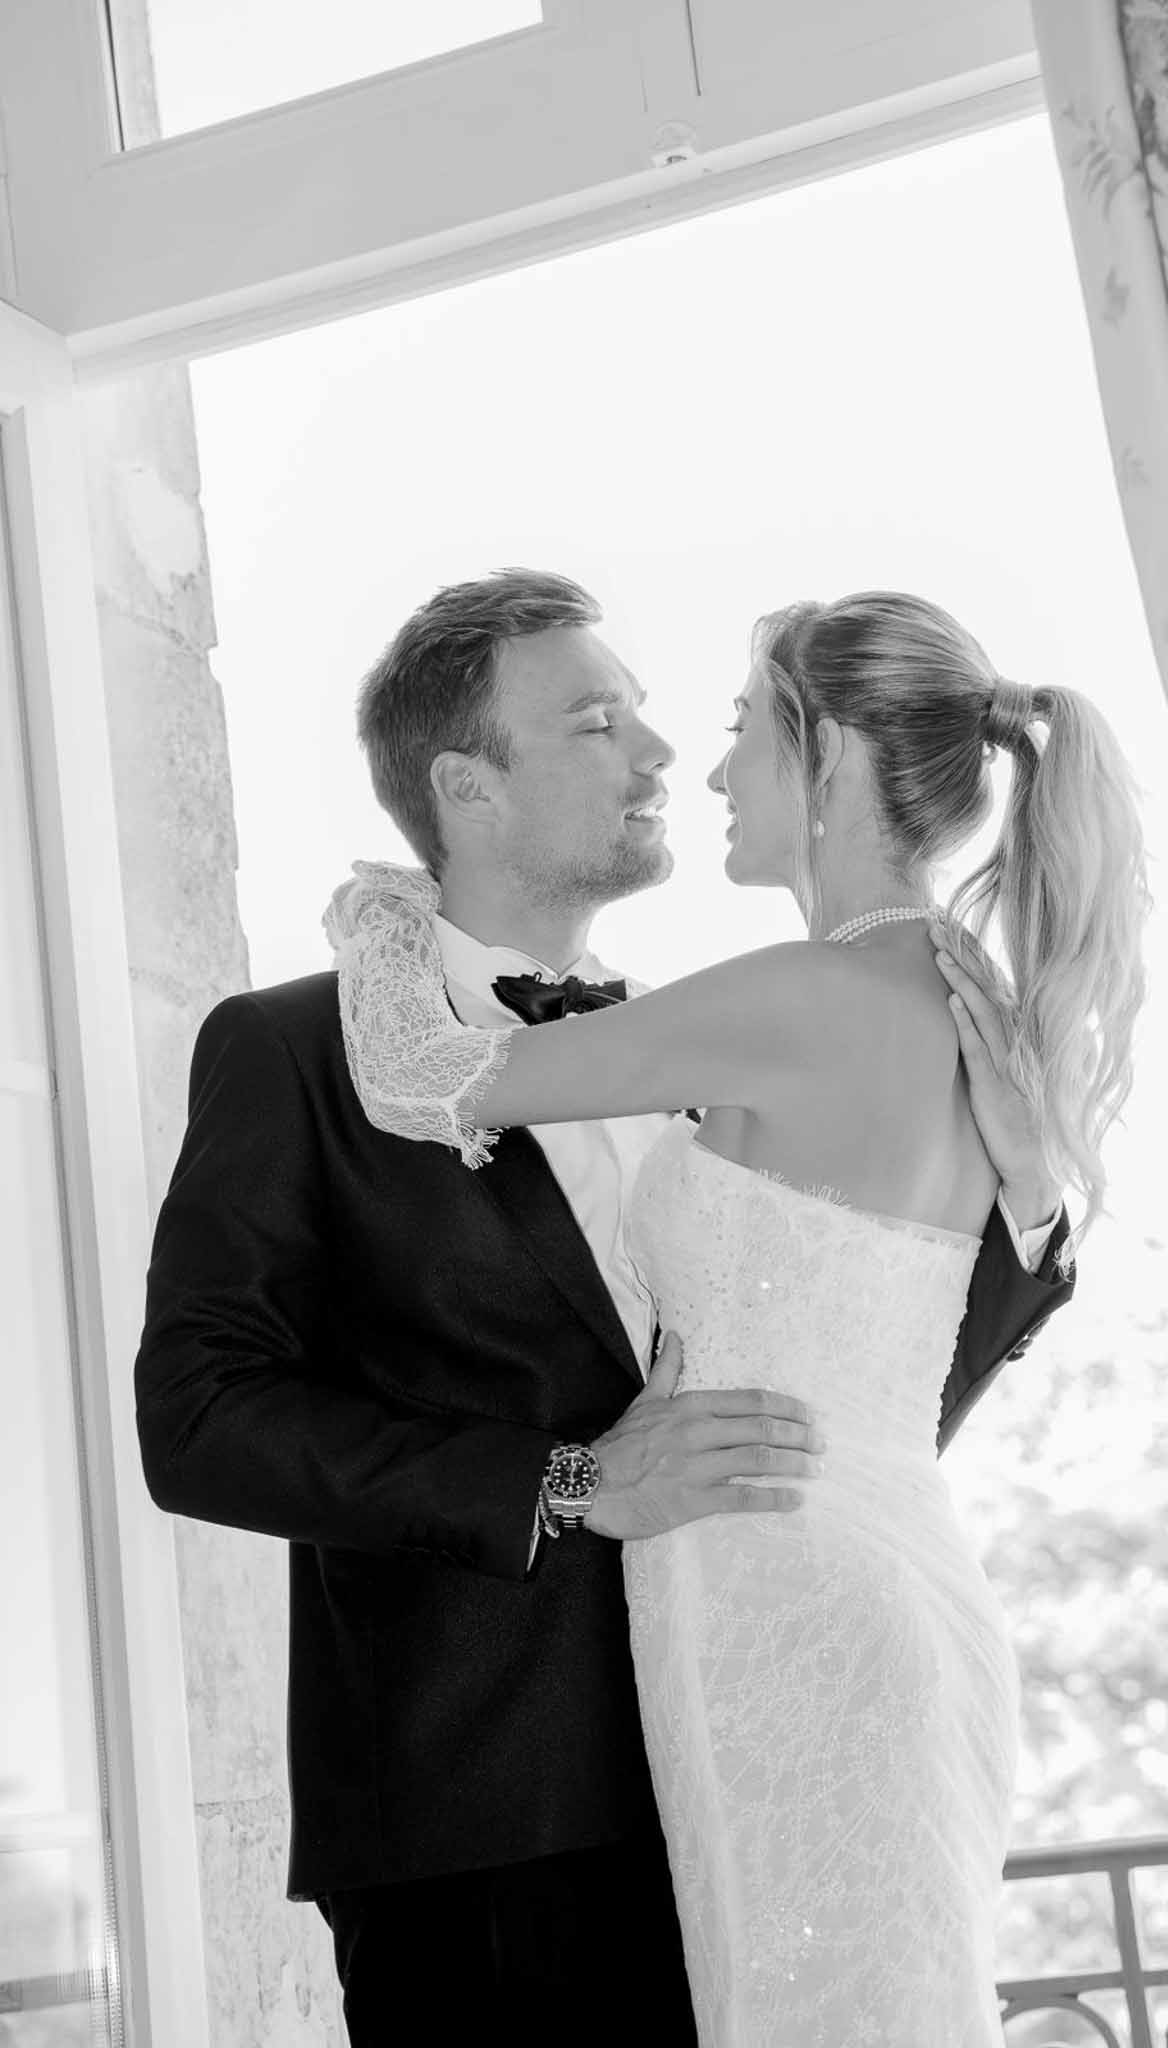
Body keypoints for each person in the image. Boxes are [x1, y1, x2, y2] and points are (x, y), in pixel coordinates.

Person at [135, 570, 1094, 2046]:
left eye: (660, 717)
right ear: (466, 783)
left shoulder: (722, 1043)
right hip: (490, 1818)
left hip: (764, 1738)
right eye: (599, 721)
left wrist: (1028, 1226)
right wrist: (571, 1485)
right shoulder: (289, 1051)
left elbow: (836, 1406)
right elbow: (201, 1421)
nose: (658, 754)